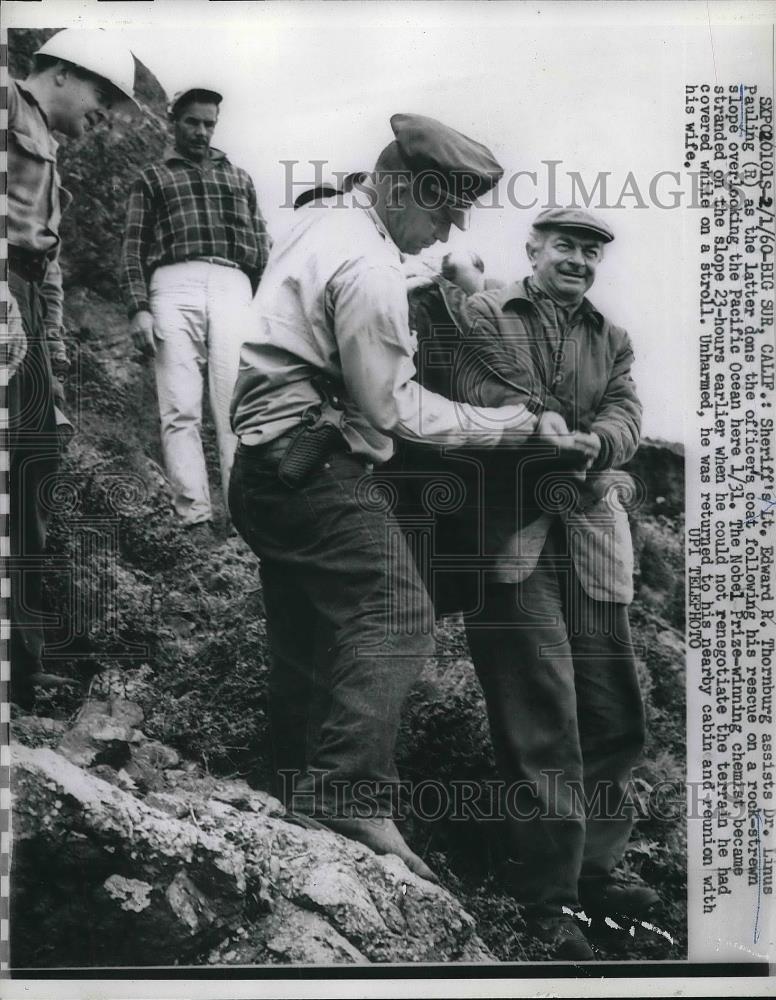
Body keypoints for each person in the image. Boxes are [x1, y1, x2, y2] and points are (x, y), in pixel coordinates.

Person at [228, 113, 537, 881]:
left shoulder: (327, 220)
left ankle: (295, 780)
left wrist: (429, 274)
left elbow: (359, 280)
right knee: (398, 611)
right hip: (320, 470)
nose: (449, 228)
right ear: (397, 187)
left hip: (266, 469)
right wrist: (501, 425)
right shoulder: (368, 272)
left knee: (310, 627)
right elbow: (390, 411)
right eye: (441, 209)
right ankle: (350, 794)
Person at [399, 208, 656, 959]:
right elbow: (478, 384)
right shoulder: (485, 309)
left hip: (585, 527)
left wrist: (600, 438)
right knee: (541, 711)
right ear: (533, 250)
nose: (577, 260)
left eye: (589, 251)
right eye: (565, 246)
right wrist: (547, 424)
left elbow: (626, 409)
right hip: (507, 528)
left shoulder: (611, 336)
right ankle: (547, 899)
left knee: (613, 708)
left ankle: (593, 871)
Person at [7, 28, 140, 709]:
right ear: (62, 73)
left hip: (25, 302)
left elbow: (47, 267)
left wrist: (53, 364)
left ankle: (20, 663)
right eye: (100, 96)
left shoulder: (51, 147)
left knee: (32, 477)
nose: (104, 116)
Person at [120, 86, 271, 532]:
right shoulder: (151, 178)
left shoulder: (240, 178)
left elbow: (259, 245)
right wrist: (138, 308)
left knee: (237, 406)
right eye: (192, 122)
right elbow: (132, 247)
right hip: (172, 283)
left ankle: (246, 522)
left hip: (233, 284)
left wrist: (261, 304)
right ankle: (195, 519)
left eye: (209, 123)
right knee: (180, 405)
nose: (201, 131)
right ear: (174, 121)